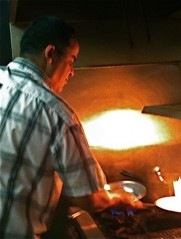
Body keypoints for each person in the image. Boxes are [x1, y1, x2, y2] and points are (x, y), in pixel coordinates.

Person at [0, 16, 143, 239]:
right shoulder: (56, 112)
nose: (72, 71)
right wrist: (119, 198)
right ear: (50, 54)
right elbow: (91, 199)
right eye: (71, 60)